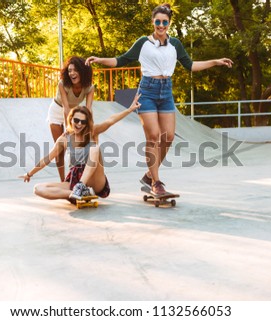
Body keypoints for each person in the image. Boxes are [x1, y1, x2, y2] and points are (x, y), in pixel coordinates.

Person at [86, 3, 233, 196]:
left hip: (166, 92)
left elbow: (190, 65)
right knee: (153, 136)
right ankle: (156, 182)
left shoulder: (175, 44)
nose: (161, 25)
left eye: (165, 22)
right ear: (153, 22)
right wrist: (99, 59)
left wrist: (215, 62)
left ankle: (149, 175)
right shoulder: (143, 43)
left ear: (169, 23)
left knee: (169, 136)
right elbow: (120, 60)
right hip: (147, 91)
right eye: (158, 21)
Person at [20, 94, 141, 202]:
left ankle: (81, 187)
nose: (79, 124)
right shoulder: (64, 139)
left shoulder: (92, 131)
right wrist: (29, 174)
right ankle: (76, 194)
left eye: (83, 122)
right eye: (76, 120)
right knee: (38, 188)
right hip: (74, 178)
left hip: (95, 179)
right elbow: (48, 158)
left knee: (94, 148)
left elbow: (110, 121)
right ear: (71, 119)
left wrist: (130, 109)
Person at [48, 56, 95, 182]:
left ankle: (75, 179)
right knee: (60, 148)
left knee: (76, 146)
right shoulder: (63, 84)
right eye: (69, 71)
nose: (72, 73)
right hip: (57, 111)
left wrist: (89, 127)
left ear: (82, 71)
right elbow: (65, 108)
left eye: (75, 70)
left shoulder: (89, 87)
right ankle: (63, 181)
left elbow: (88, 109)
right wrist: (69, 129)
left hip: (75, 114)